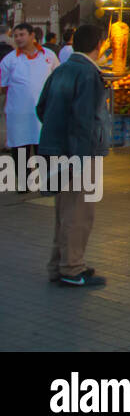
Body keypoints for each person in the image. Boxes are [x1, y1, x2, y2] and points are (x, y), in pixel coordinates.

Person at [36, 24, 110, 286]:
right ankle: (72, 267)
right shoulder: (89, 74)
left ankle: (59, 264)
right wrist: (80, 159)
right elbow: (83, 120)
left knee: (64, 211)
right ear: (98, 44)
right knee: (79, 213)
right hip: (78, 152)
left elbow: (42, 107)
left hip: (55, 148)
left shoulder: (62, 69)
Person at [2, 22, 61, 189]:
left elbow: (58, 80)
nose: (19, 38)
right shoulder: (10, 60)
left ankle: (48, 183)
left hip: (43, 113)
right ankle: (23, 184)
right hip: (18, 114)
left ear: (32, 36)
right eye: (16, 36)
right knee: (20, 149)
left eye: (22, 35)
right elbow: (2, 84)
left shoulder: (48, 56)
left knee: (44, 148)